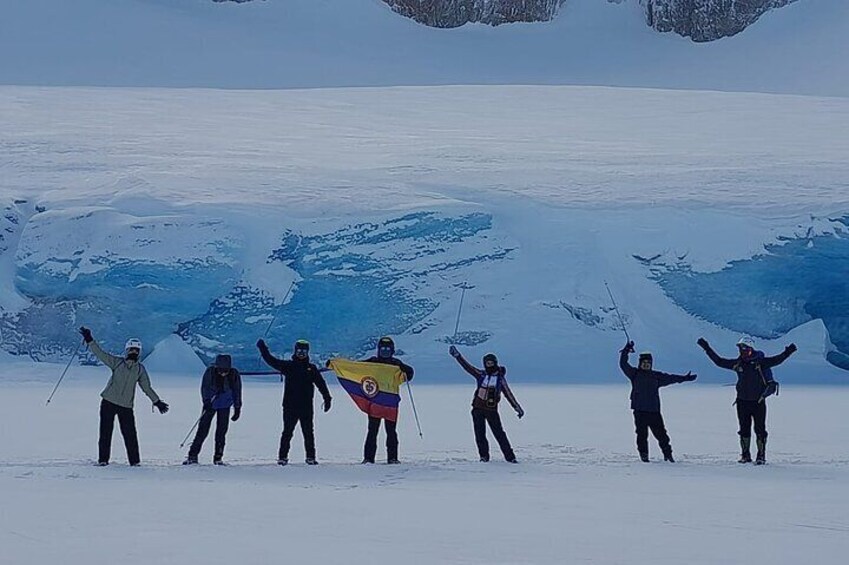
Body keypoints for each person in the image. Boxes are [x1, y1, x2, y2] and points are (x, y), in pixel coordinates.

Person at [698, 336, 796, 464]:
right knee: (744, 429)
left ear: (751, 349)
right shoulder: (738, 364)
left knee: (760, 429)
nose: (742, 351)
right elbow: (719, 362)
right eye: (740, 348)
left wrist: (787, 352)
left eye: (745, 348)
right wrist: (707, 348)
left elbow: (777, 360)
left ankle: (761, 456)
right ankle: (745, 455)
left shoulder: (760, 362)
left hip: (758, 402)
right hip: (742, 402)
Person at [79, 327, 169, 467]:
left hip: (126, 407)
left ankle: (135, 462)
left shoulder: (140, 369)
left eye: (136, 350)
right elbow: (100, 354)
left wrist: (157, 402)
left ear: (139, 353)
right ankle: (103, 461)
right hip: (108, 402)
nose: (133, 352)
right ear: (127, 350)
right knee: (105, 433)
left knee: (130, 435)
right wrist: (89, 339)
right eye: (131, 349)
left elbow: (146, 388)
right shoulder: (117, 362)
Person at [257, 338, 332, 466]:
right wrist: (263, 348)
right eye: (299, 351)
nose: (301, 353)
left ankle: (310, 457)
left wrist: (327, 398)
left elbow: (321, 384)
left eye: (304, 351)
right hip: (289, 406)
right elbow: (271, 360)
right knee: (287, 432)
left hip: (306, 407)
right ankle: (282, 457)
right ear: (295, 351)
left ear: (308, 352)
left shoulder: (311, 368)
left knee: (308, 432)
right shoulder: (288, 366)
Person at [619, 341, 697, 463]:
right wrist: (626, 350)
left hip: (654, 411)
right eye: (644, 363)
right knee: (641, 435)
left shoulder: (656, 376)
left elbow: (671, 378)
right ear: (640, 364)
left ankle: (668, 455)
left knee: (662, 435)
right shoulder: (634, 374)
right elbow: (623, 364)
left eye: (648, 363)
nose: (646, 365)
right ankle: (644, 457)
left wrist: (684, 378)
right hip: (639, 411)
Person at [449, 346, 523, 463]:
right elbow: (467, 367)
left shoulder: (500, 379)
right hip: (477, 409)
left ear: (495, 363)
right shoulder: (481, 375)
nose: (489, 365)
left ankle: (510, 457)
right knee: (480, 434)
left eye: (491, 363)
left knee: (499, 434)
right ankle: (484, 457)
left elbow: (508, 394)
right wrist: (457, 356)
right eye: (487, 363)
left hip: (491, 410)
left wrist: (517, 408)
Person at [362, 337, 414, 464]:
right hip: (375, 402)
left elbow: (410, 373)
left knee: (391, 431)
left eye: (387, 349)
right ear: (378, 350)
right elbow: (355, 367)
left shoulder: (396, 364)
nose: (385, 351)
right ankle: (368, 458)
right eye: (383, 349)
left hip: (390, 403)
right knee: (372, 431)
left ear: (392, 350)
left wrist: (402, 368)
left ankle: (393, 458)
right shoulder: (372, 362)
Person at [183, 354, 242, 466]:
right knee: (202, 431)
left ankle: (218, 457)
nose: (223, 373)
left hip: (225, 406)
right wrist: (206, 401)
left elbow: (237, 390)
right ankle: (192, 456)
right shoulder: (210, 372)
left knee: (221, 433)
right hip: (211, 404)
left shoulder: (234, 374)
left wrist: (237, 407)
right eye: (221, 370)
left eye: (225, 370)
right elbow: (205, 387)